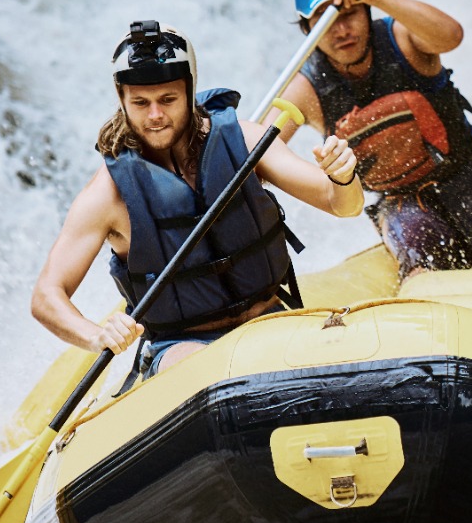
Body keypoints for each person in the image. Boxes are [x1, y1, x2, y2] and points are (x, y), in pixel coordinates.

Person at [31, 20, 364, 382]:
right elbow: (46, 295)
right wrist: (95, 335)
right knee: (209, 371)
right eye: (140, 103)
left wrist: (342, 177)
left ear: (190, 92)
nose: (155, 115)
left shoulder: (245, 141)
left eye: (168, 100)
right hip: (181, 345)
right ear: (122, 100)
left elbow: (342, 205)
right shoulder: (107, 194)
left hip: (268, 320)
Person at [270, 0, 472, 279]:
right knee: (420, 266)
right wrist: (331, 183)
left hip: (469, 174)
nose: (341, 30)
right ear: (307, 29)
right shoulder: (306, 89)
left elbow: (452, 36)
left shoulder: (403, 39)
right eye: (325, 20)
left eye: (349, 13)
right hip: (400, 203)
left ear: (366, 12)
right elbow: (259, 149)